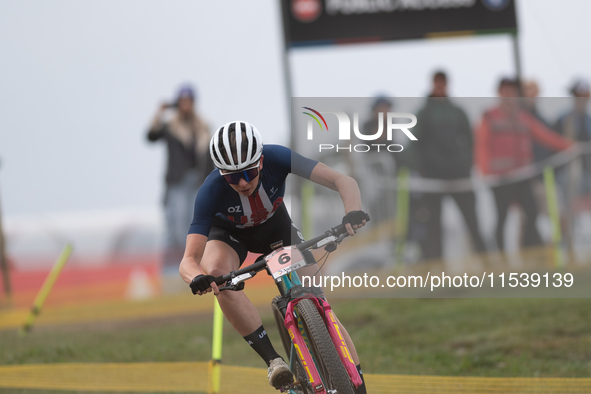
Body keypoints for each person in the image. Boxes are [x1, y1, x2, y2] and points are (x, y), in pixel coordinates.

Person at [179, 121, 369, 391]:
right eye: (233, 177)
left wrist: (353, 211)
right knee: (218, 274)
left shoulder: (277, 157)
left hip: (276, 232)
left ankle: (358, 385)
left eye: (248, 172)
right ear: (222, 173)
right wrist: (198, 277)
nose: (243, 182)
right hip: (231, 237)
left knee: (322, 307)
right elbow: (188, 260)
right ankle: (273, 360)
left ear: (261, 161)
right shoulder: (210, 190)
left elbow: (343, 180)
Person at [475, 78, 573, 252]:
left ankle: (531, 251)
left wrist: (570, 146)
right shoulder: (489, 116)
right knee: (502, 218)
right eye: (505, 91)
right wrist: (484, 172)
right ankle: (501, 256)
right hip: (500, 179)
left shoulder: (523, 117)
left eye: (512, 92)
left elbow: (545, 136)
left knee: (532, 212)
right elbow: (482, 145)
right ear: (499, 93)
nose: (509, 95)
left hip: (523, 176)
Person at [413, 70, 487, 260]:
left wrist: (466, 164)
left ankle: (486, 261)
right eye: (437, 83)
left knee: (472, 221)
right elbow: (414, 145)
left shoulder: (457, 112)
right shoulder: (424, 113)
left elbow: (471, 141)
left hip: (459, 175)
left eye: (443, 83)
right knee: (433, 225)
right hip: (432, 177)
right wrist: (422, 170)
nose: (440, 86)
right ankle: (435, 267)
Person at [147, 84, 212, 279]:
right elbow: (151, 136)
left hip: (197, 183)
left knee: (196, 227)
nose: (185, 106)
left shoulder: (203, 128)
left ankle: (197, 269)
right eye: (181, 102)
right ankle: (173, 272)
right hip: (177, 184)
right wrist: (160, 113)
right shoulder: (170, 126)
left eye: (188, 102)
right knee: (176, 229)